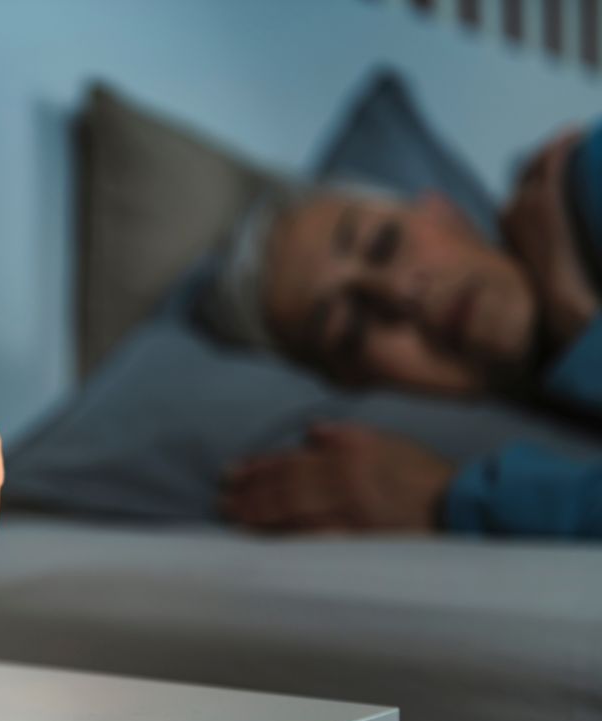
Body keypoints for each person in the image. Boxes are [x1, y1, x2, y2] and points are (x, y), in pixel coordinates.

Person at [200, 124, 602, 537]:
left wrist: (448, 500)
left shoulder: (583, 180)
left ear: (445, 213)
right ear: (357, 382)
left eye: (383, 244)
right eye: (351, 328)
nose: (398, 292)